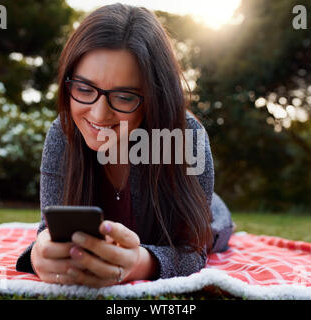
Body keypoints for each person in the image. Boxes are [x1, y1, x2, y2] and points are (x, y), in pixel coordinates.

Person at [16, 3, 234, 288]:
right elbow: (47, 232)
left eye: (124, 97)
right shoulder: (63, 133)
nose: (98, 114)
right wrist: (40, 254)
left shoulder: (187, 137)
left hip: (208, 214)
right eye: (83, 89)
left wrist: (140, 263)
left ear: (155, 96)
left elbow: (193, 251)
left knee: (214, 229)